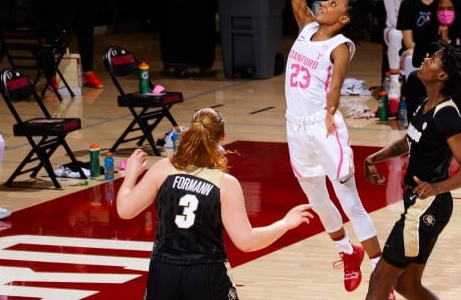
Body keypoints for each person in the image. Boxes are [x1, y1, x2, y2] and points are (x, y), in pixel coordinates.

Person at [279, 0, 387, 294]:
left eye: (335, 4)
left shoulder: (342, 44)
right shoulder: (307, 28)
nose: (326, 3)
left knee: (349, 198)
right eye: (327, 0)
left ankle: (380, 273)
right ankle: (347, 252)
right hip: (295, 127)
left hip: (324, 126)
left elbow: (336, 82)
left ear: (344, 18)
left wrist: (329, 110)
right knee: (315, 198)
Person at [116, 107, 314, 299]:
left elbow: (125, 210)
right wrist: (285, 223)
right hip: (206, 273)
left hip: (164, 271)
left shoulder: (163, 169)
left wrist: (131, 175)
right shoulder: (225, 184)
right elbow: (246, 242)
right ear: (223, 138)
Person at [363, 41, 461, 300]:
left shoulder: (446, 114)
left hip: (427, 206)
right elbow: (408, 141)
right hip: (419, 202)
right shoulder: (424, 103)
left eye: (433, 58)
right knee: (409, 286)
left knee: (380, 279)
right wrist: (375, 157)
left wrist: (437, 187)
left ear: (442, 75)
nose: (426, 58)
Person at [403, 0, 461, 117]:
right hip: (434, 75)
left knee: (458, 82)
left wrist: (446, 43)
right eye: (441, 8)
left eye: (449, 8)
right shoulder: (427, 28)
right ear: (435, 10)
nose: (445, 12)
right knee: (413, 78)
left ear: (456, 10)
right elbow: (416, 61)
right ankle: (415, 122)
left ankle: (455, 122)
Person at [397, 0, 439, 79]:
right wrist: (422, 52)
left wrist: (434, 53)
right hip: (414, 48)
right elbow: (408, 42)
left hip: (438, 49)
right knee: (411, 56)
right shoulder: (407, 4)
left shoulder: (442, 1)